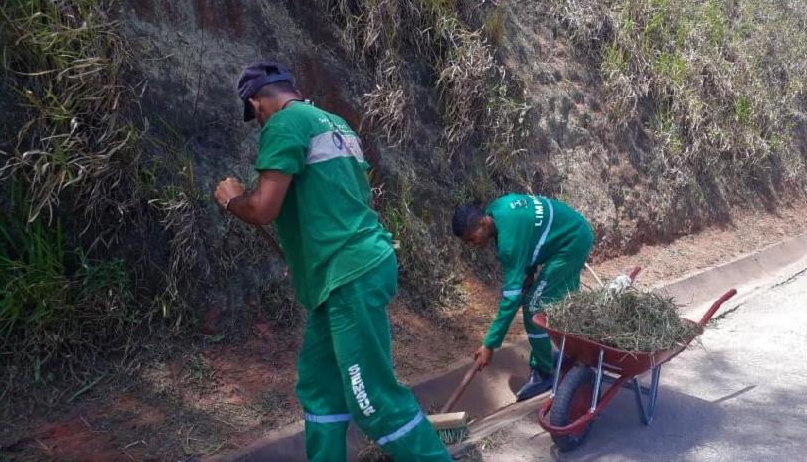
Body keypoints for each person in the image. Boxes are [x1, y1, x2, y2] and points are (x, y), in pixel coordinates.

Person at [214, 62, 450, 462]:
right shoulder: (335, 124)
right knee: (320, 386)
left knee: (372, 399)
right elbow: (347, 196)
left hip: (347, 276)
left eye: (254, 114)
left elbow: (263, 208)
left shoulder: (284, 124)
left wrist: (231, 198)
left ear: (256, 102)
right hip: (345, 271)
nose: (258, 121)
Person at [451, 194, 594, 401]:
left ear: (483, 222)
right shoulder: (499, 209)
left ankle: (544, 372)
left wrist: (489, 345)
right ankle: (576, 353)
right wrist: (528, 274)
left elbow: (510, 300)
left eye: (472, 238)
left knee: (534, 309)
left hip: (571, 243)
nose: (472, 244)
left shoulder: (509, 243)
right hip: (573, 230)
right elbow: (531, 236)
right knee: (557, 301)